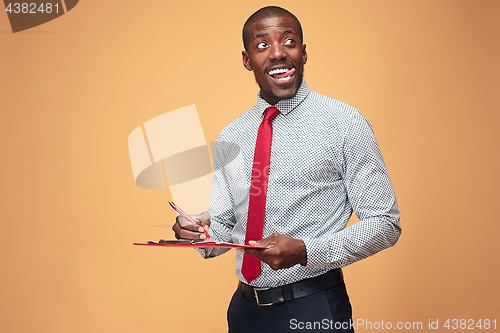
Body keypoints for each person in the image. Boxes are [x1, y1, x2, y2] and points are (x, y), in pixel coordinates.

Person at [172, 6, 401, 332]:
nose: (278, 53)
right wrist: (197, 233)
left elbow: (385, 224)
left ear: (303, 53)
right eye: (263, 45)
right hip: (244, 311)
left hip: (313, 309)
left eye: (289, 41)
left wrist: (307, 251)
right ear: (247, 59)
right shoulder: (232, 136)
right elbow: (223, 229)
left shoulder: (345, 124)